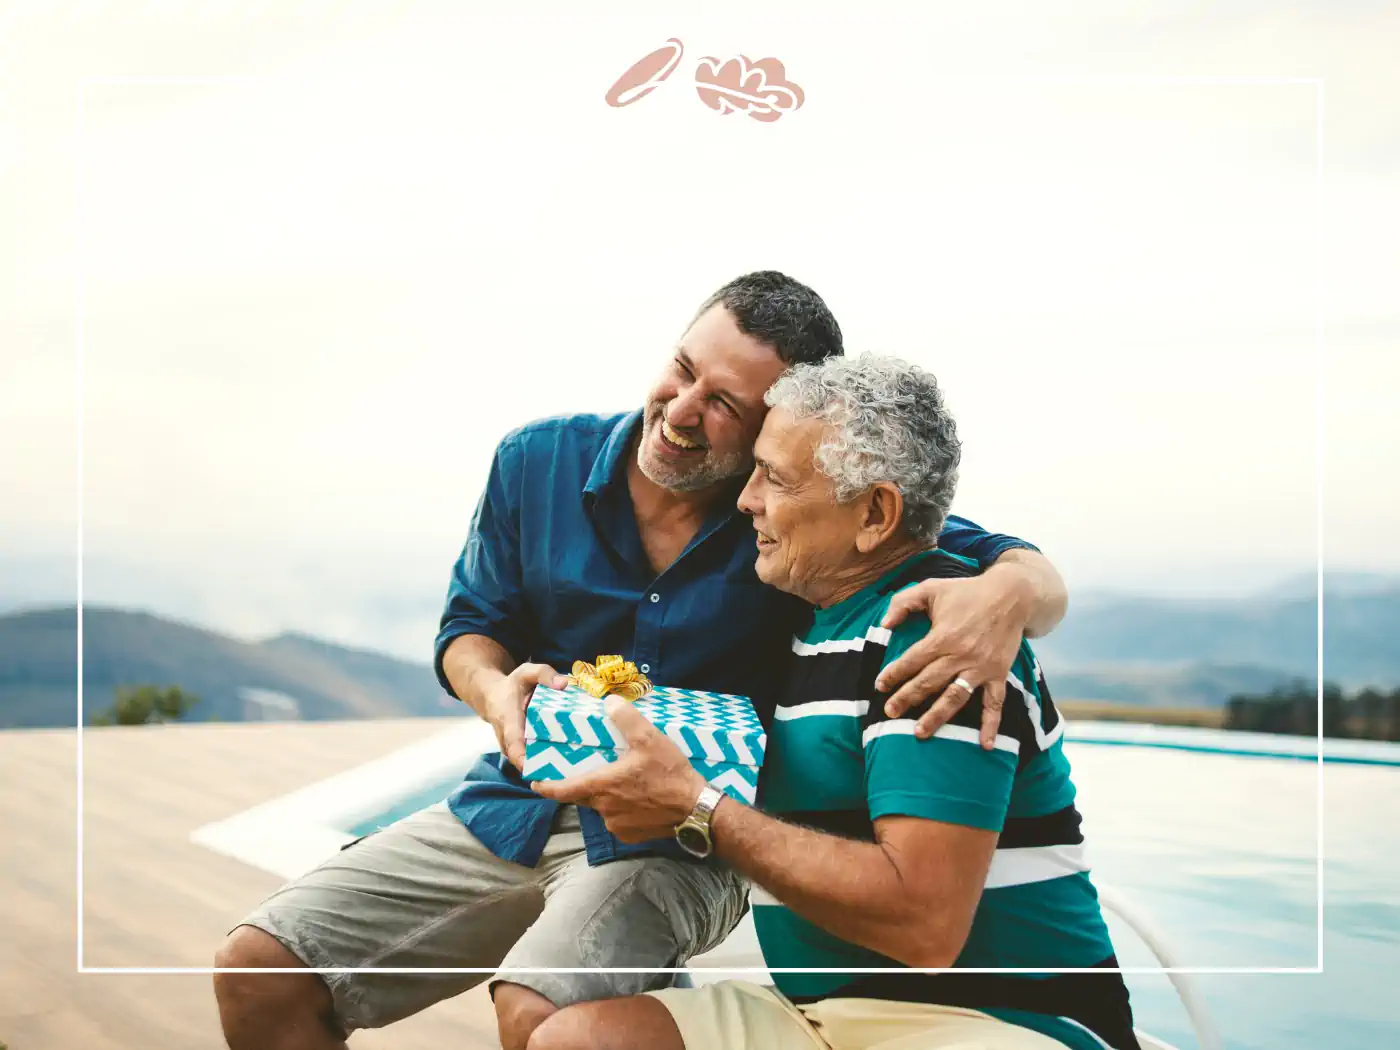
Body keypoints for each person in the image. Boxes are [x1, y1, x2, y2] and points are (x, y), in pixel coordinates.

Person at [212, 273, 1070, 1050]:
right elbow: (471, 628)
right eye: (682, 367)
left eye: (727, 404)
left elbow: (940, 541)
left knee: (542, 1011)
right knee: (258, 969)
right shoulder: (534, 461)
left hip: (684, 835)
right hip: (519, 795)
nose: (683, 409)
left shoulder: (800, 510)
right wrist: (494, 692)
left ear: (782, 425)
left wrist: (1006, 596)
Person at [528, 354, 1137, 1050]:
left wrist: (700, 809)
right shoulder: (797, 617)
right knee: (574, 1040)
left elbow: (924, 924)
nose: (745, 499)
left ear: (876, 514)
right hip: (831, 1018)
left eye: (775, 479)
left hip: (1004, 1024)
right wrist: (569, 692)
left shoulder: (932, 639)